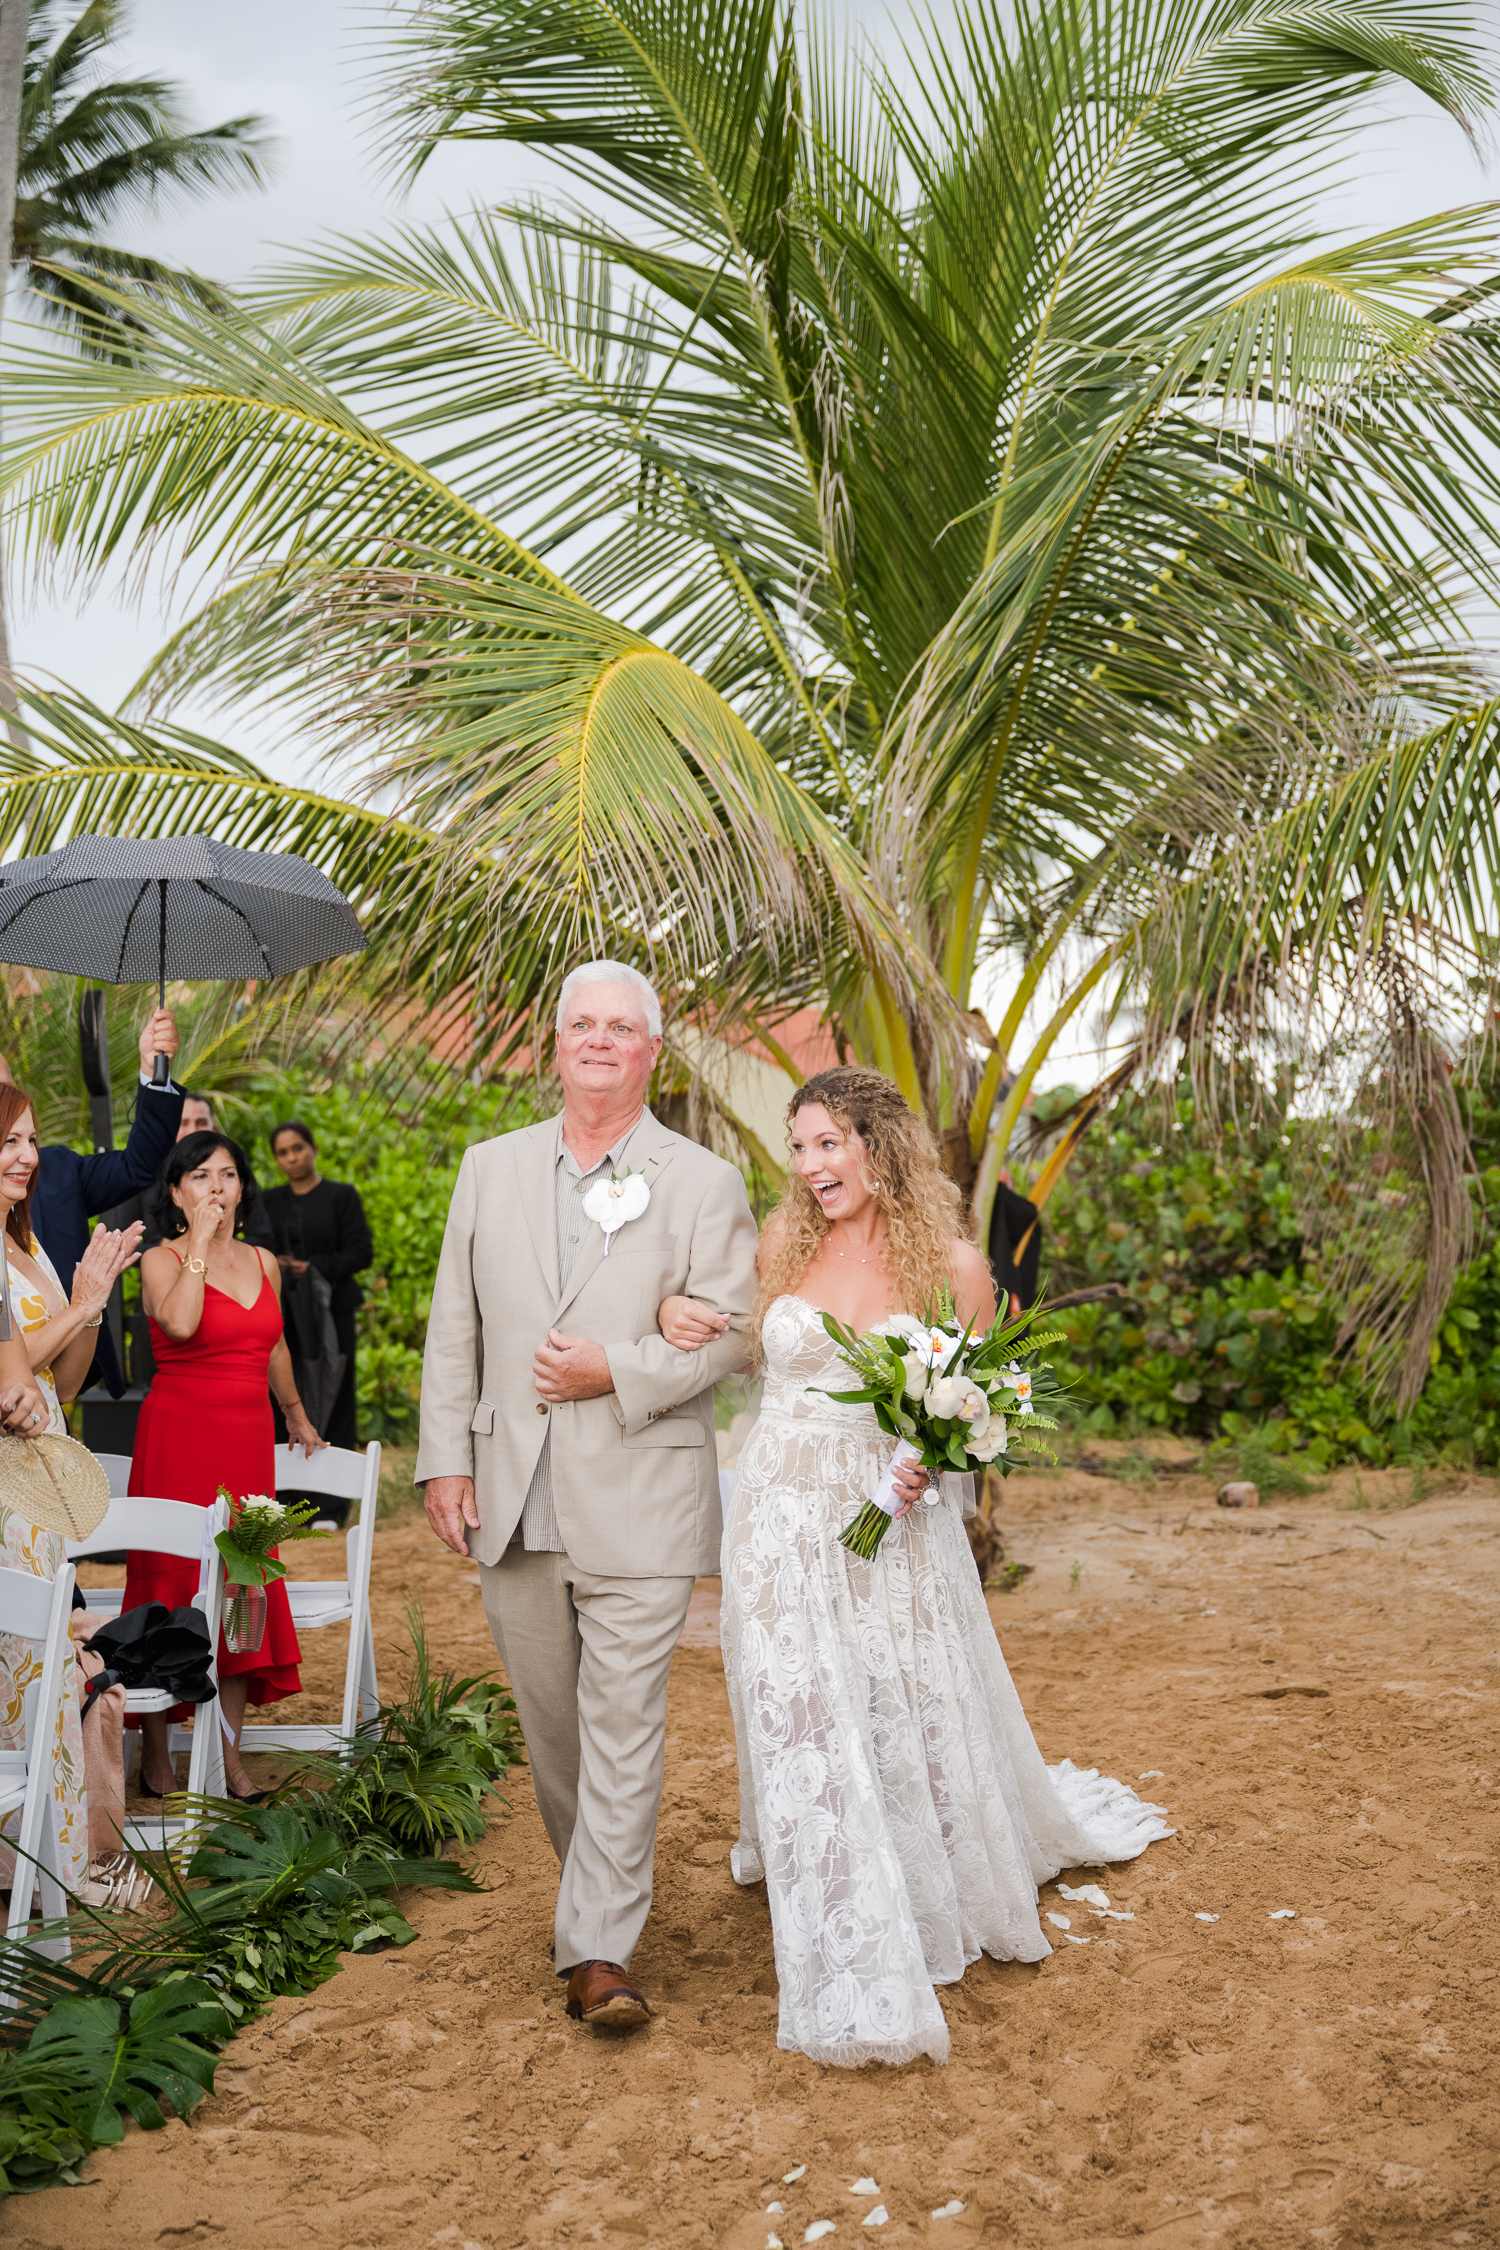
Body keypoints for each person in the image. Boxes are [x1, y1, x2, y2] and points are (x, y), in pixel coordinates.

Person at [658, 1066, 1171, 2070]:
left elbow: (978, 1406)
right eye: (799, 1147)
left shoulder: (953, 1266)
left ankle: (910, 1867)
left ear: (878, 1146)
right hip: (773, 1510)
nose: (809, 1166)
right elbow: (759, 1356)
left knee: (893, 1690)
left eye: (827, 1144)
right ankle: (822, 1868)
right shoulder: (780, 1243)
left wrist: (921, 1464)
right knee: (794, 1695)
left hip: (887, 1521)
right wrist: (694, 1318)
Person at [418, 959, 758, 2031]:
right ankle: (595, 1895)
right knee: (555, 1731)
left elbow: (736, 1332)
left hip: (642, 1499)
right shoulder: (488, 1168)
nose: (601, 1040)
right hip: (514, 1497)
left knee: (622, 1724)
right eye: (582, 1024)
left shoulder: (702, 1181)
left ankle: (600, 1951)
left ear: (653, 1050)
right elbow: (456, 1325)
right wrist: (445, 1461)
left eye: (623, 1026)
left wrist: (619, 1366)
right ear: (555, 1044)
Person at [122, 1131, 326, 1802]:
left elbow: (272, 1346)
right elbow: (179, 1325)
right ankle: (156, 1755)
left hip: (244, 1441)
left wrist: (294, 1413)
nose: (217, 1186)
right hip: (179, 1438)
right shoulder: (160, 1261)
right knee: (171, 1588)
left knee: (244, 1588)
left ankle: (227, 1760)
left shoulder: (265, 1261)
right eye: (201, 1176)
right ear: (177, 1193)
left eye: (228, 1175)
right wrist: (202, 1248)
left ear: (243, 1187)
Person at [0, 1080, 141, 1899]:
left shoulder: (28, 1246)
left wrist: (86, 1309)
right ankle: (35, 1868)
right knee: (24, 1657)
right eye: (8, 1141)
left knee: (50, 1659)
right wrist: (83, 1304)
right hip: (9, 1486)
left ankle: (57, 1858)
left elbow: (65, 1377)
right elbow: (10, 1373)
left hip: (42, 1476)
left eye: (30, 1140)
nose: (25, 1157)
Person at [0, 1008, 185, 1399]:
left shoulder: (56, 1171)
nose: (25, 1157)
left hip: (60, 1390)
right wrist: (82, 1305)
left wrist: (157, 1070)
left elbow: (140, 1165)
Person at [261, 1120, 373, 1451]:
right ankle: (287, 1482)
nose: (292, 1158)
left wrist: (314, 1268)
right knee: (283, 1386)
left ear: (314, 1149)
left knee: (334, 1385)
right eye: (282, 1153)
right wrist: (277, 1265)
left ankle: (333, 1490)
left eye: (298, 1148)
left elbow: (361, 1252)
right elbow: (257, 1247)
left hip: (332, 1310)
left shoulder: (341, 1196)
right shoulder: (269, 1202)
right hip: (285, 1314)